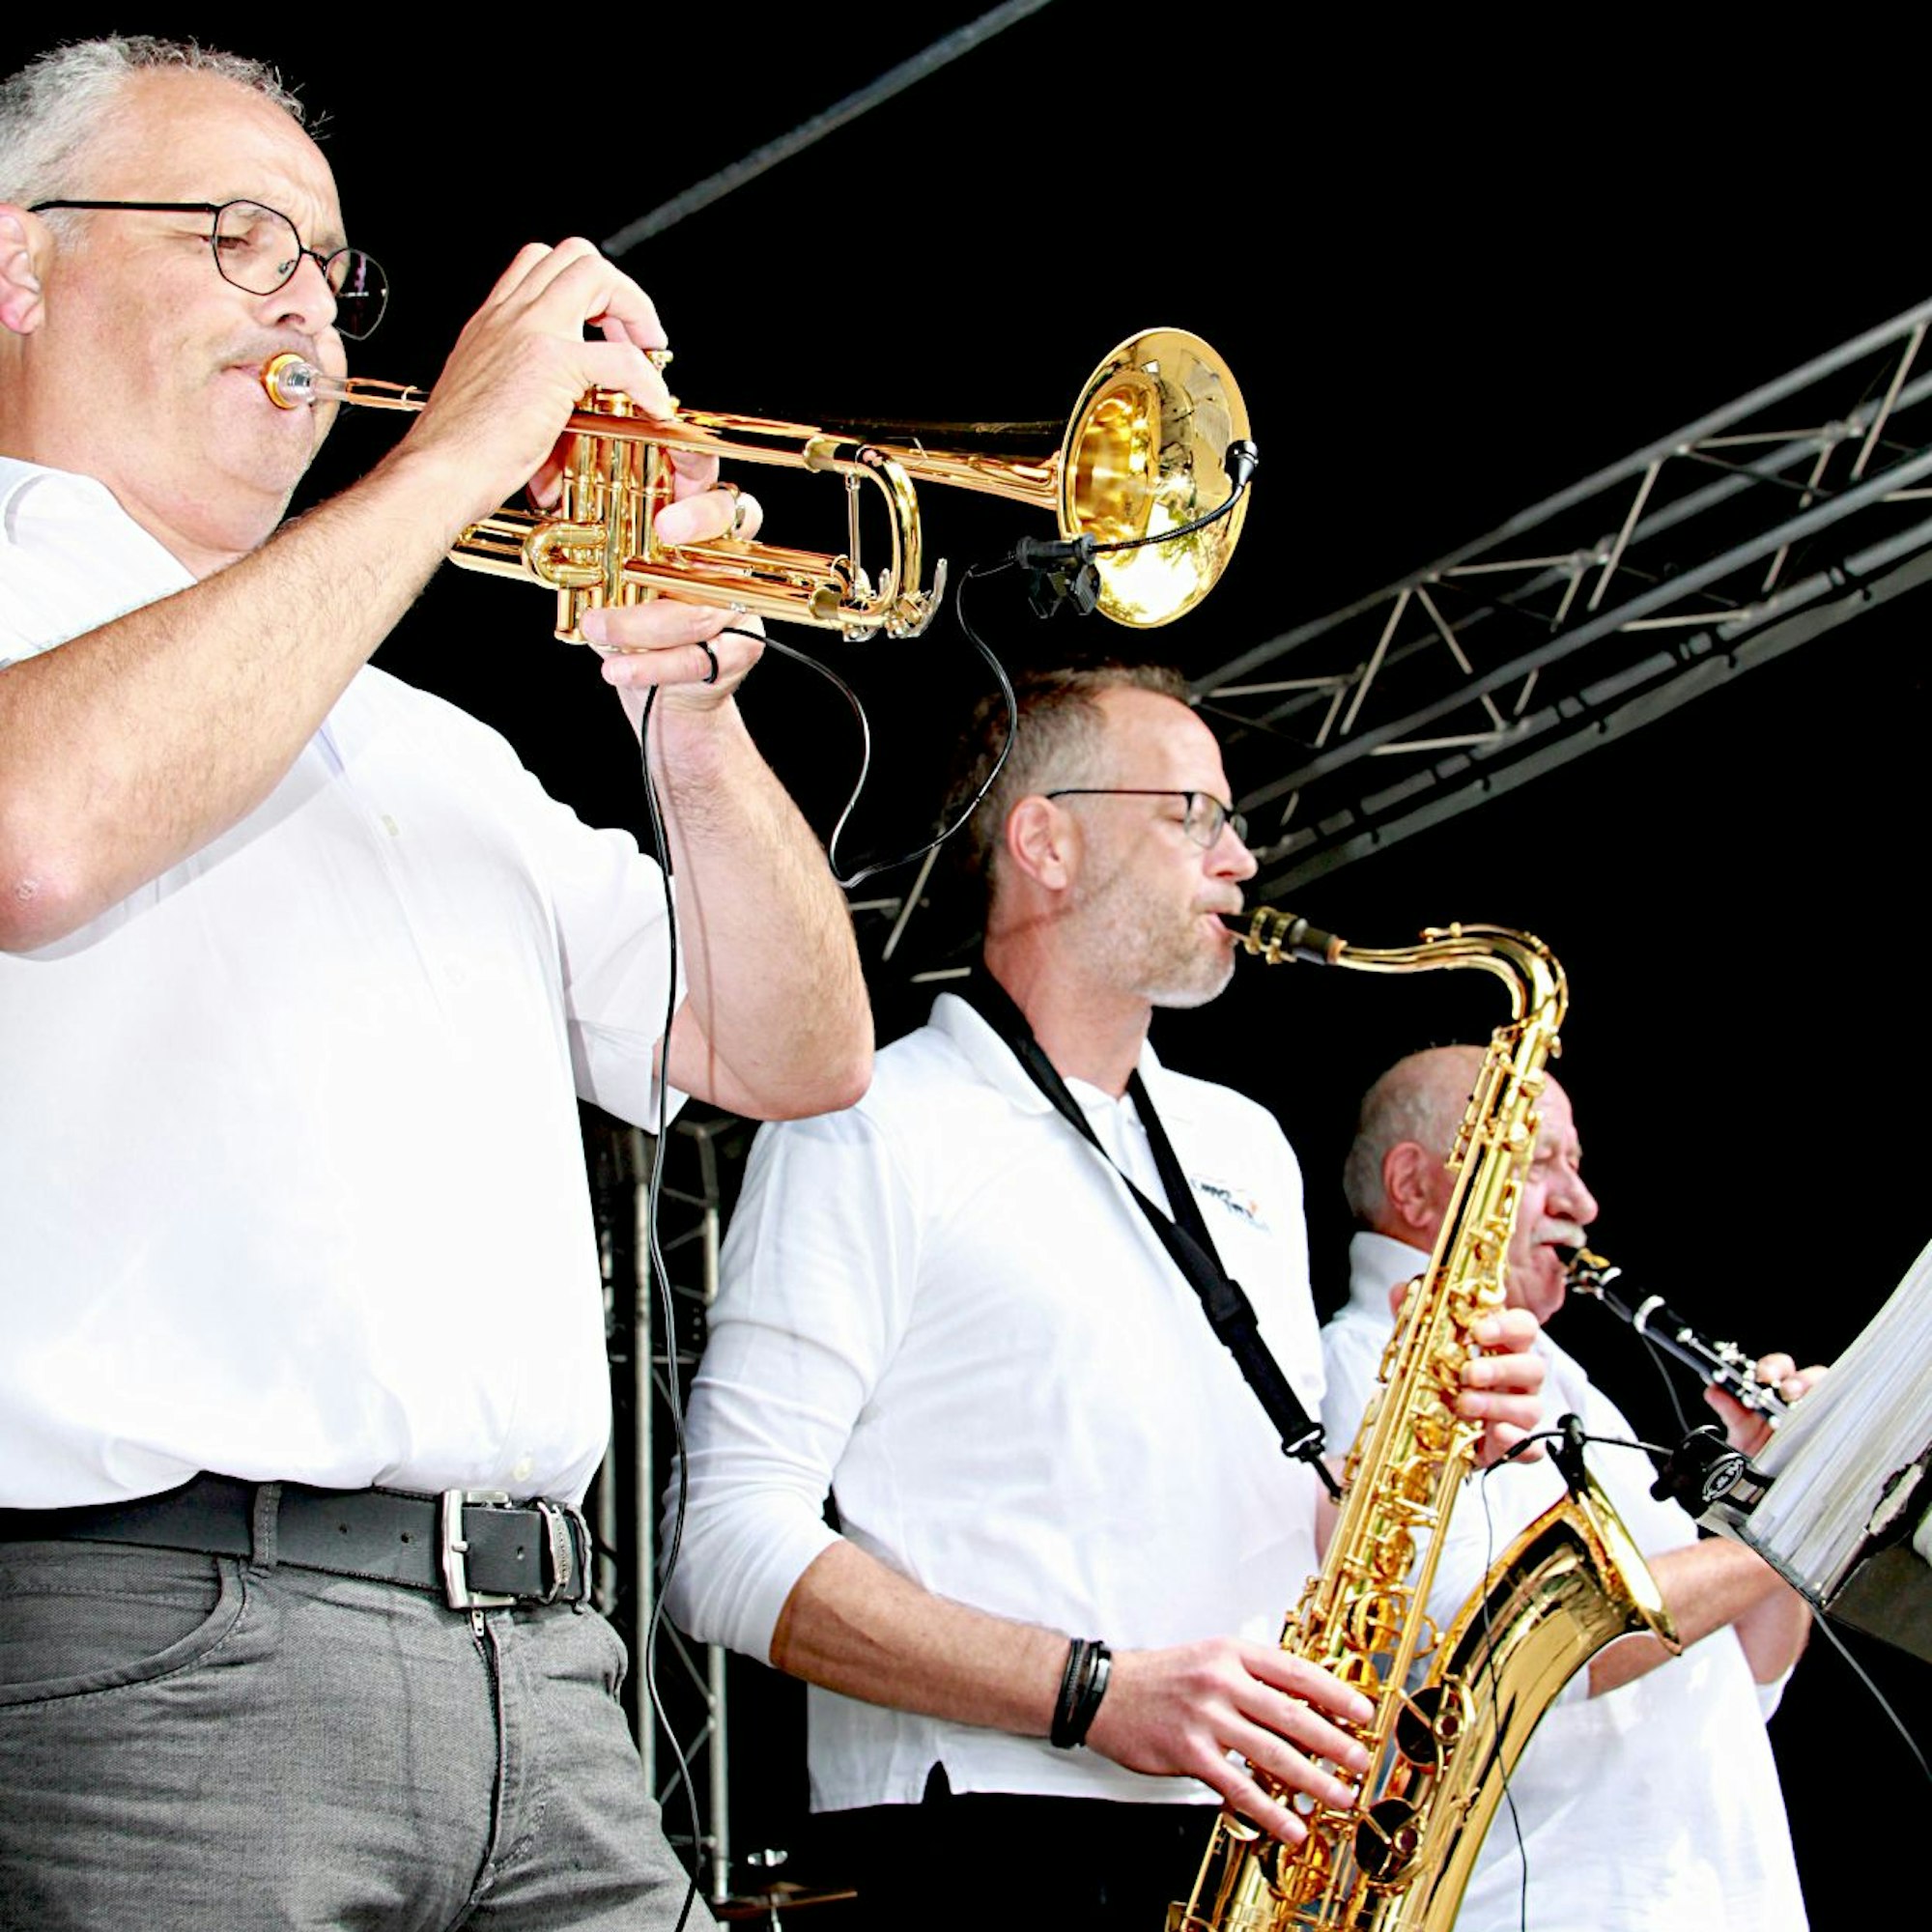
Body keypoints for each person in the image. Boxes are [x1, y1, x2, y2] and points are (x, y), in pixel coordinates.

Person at [0, 35, 871, 1932]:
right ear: (20, 264)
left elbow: (789, 1052)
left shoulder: (422, 739)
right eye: (238, 237)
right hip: (160, 1652)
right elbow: (37, 833)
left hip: (543, 1672)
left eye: (324, 263)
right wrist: (465, 442)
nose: (305, 301)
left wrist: (689, 711)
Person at [665, 664, 1548, 1928]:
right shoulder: (869, 1128)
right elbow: (726, 1546)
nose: (1240, 858)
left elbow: (1278, 1524)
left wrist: (1432, 1441)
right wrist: (1094, 1692)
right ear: (1048, 842)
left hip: (1256, 1834)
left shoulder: (1242, 1146)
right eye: (1193, 813)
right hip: (990, 1836)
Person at [1323, 1045, 1819, 1932]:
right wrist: (1799, 1516)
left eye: (1577, 1166)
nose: (1581, 1204)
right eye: (1540, 1160)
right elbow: (1499, 1653)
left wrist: (1774, 1504)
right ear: (1416, 1187)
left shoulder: (1567, 1380)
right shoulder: (1359, 1379)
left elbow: (1744, 1672)